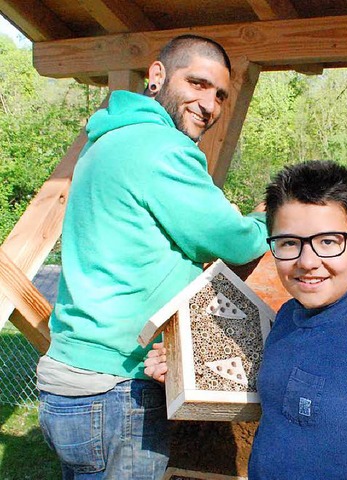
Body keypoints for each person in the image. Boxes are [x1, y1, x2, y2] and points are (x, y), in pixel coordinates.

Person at [37, 35, 269, 480]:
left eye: (219, 94)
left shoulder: (108, 139)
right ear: (157, 75)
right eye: (197, 83)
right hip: (116, 389)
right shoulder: (162, 148)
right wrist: (266, 222)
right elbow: (232, 241)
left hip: (68, 380)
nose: (210, 104)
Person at [146, 160, 347, 479]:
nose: (308, 261)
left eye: (328, 241)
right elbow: (276, 393)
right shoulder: (287, 317)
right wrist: (187, 366)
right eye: (289, 243)